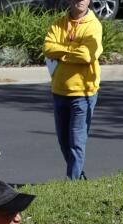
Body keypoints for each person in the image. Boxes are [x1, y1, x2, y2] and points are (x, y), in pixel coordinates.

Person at [43, 0, 103, 180]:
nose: (80, 1)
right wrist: (72, 50)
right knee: (64, 142)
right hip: (60, 91)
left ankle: (72, 184)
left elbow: (87, 55)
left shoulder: (94, 26)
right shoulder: (59, 23)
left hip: (83, 94)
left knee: (76, 143)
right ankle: (78, 175)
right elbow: (47, 48)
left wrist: (61, 52)